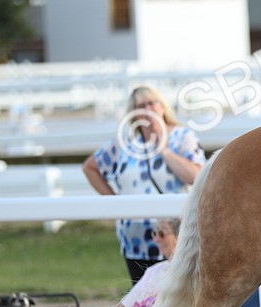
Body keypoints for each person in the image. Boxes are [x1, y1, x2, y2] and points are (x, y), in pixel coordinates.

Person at [83, 86, 205, 284]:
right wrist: (115, 204)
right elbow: (90, 168)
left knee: (182, 296)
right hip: (136, 240)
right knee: (143, 300)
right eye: (141, 106)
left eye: (151, 103)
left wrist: (163, 150)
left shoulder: (183, 137)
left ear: (162, 107)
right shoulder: (124, 144)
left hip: (177, 236)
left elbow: (195, 176)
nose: (147, 109)